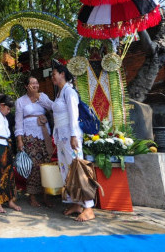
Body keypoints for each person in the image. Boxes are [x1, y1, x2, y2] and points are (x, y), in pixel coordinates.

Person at [38, 63, 96, 222]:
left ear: (62, 74)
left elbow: (73, 115)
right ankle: (76, 203)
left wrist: (73, 136)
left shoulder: (69, 92)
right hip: (61, 136)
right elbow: (55, 111)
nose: (52, 77)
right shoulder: (59, 93)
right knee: (66, 170)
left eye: (54, 74)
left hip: (71, 135)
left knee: (78, 169)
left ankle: (88, 207)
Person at [15, 76, 54, 207]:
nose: (35, 85)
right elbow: (18, 122)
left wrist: (38, 96)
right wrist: (19, 140)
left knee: (46, 164)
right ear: (26, 86)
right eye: (32, 83)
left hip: (44, 135)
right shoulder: (20, 101)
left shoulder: (42, 97)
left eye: (37, 82)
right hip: (29, 137)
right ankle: (32, 196)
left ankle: (46, 195)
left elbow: (52, 107)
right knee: (34, 166)